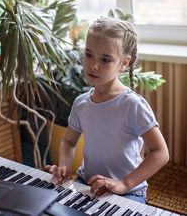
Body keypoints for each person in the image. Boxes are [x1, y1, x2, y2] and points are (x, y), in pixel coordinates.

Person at [45, 17, 169, 203]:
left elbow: (160, 153)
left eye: (105, 59)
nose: (94, 65)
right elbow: (69, 142)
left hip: (127, 192)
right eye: (89, 55)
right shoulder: (81, 103)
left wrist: (125, 183)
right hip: (87, 184)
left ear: (124, 63)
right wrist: (64, 166)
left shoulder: (133, 105)